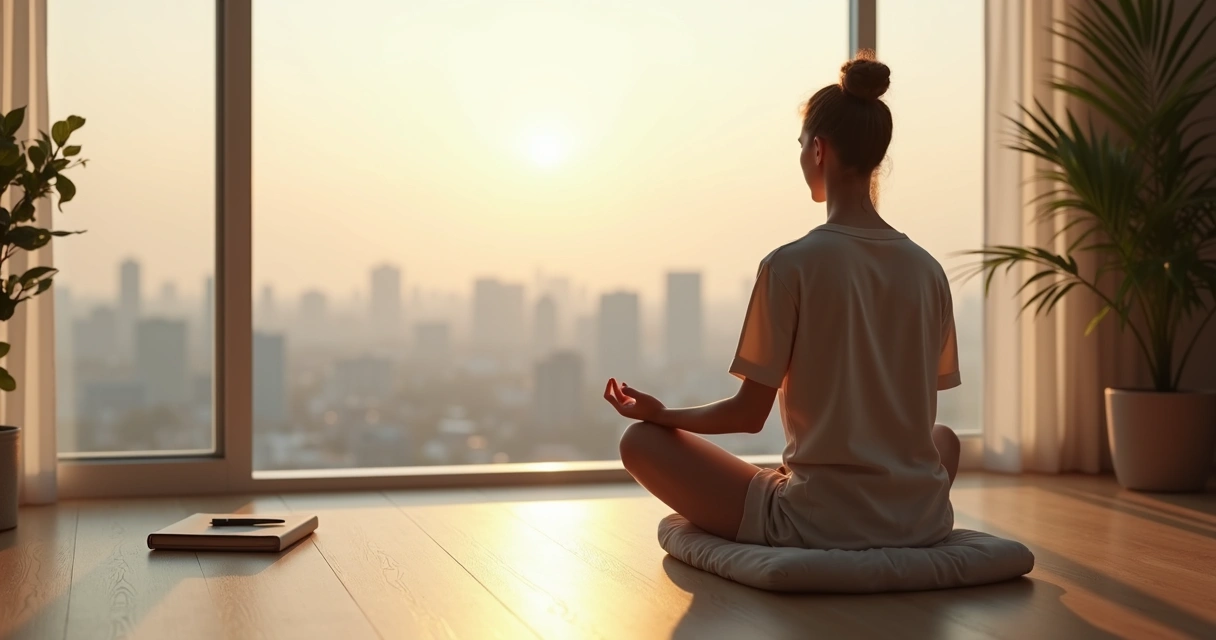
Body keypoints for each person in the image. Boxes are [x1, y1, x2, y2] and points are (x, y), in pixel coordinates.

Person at [603, 51, 961, 551]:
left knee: (638, 442)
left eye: (800, 146)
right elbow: (916, 419)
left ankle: (814, 507)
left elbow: (747, 416)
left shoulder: (789, 265)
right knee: (943, 438)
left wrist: (661, 415)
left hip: (819, 522)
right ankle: (889, 513)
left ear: (818, 150)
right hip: (919, 518)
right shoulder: (929, 271)